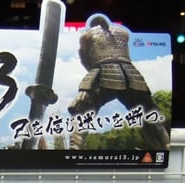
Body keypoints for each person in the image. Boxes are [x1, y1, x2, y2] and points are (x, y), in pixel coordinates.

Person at [67, 13, 169, 151]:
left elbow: (85, 60)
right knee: (150, 116)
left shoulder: (86, 36)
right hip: (131, 75)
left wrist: (93, 73)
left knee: (81, 112)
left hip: (102, 71)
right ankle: (165, 147)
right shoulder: (124, 33)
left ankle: (74, 151)